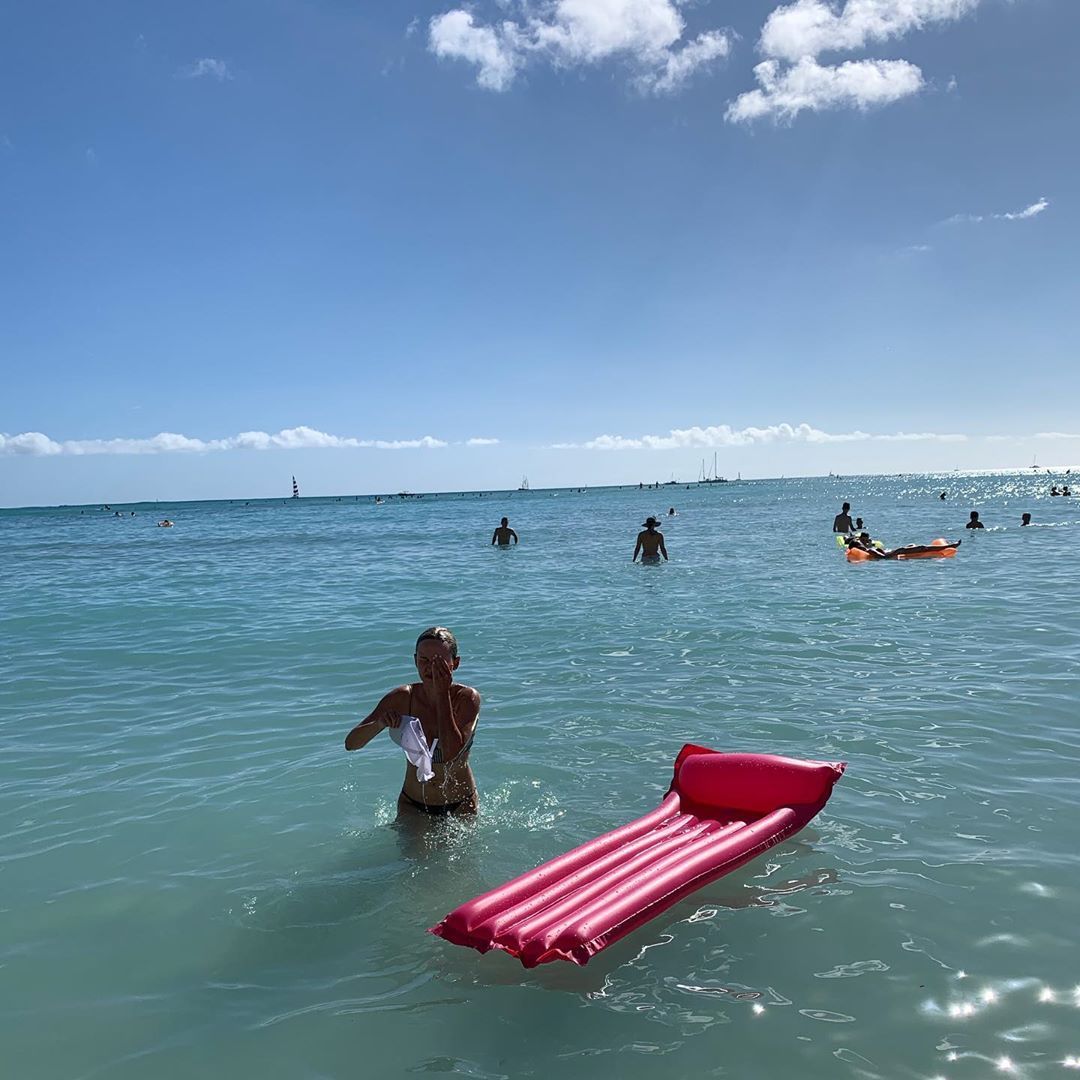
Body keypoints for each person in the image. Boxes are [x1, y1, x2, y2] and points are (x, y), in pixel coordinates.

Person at [344, 627, 481, 816]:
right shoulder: (403, 697)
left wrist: (442, 694)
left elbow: (451, 753)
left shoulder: (466, 699)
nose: (430, 667)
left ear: (455, 663)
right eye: (424, 660)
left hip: (461, 802)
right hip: (413, 803)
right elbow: (351, 744)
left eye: (438, 661)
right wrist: (380, 724)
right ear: (415, 660)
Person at [847, 532, 961, 559]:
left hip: (894, 551)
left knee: (914, 545)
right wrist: (898, 552)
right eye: (860, 543)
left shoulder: (868, 550)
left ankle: (946, 546)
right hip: (896, 553)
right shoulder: (869, 551)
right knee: (923, 547)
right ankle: (948, 546)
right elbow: (884, 557)